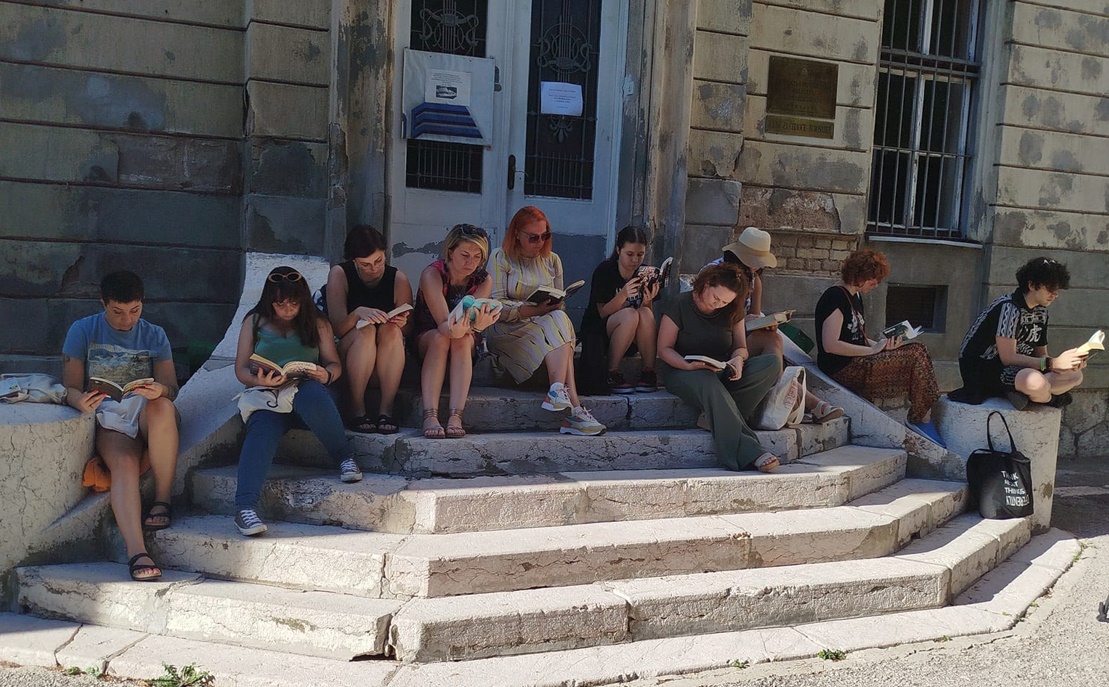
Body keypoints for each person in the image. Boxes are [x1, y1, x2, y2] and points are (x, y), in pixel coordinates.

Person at [62, 271, 180, 581]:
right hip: (109, 415)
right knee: (124, 463)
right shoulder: (83, 330)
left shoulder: (155, 334)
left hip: (145, 408)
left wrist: (160, 390)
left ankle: (162, 499)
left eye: (134, 310)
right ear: (103, 303)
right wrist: (78, 400)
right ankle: (136, 551)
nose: (126, 319)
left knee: (163, 408)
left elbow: (171, 387)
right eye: (117, 311)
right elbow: (70, 387)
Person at [232, 266, 361, 537]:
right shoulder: (253, 321)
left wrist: (326, 374)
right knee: (261, 428)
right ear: (270, 301)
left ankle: (345, 457)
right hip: (268, 396)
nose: (287, 308)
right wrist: (260, 381)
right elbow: (241, 370)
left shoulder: (318, 322)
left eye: (293, 302)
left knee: (312, 394)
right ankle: (245, 508)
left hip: (307, 394)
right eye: (280, 303)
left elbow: (334, 363)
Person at [487, 206, 606, 436]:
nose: (540, 242)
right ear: (517, 235)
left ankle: (558, 390)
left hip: (542, 325)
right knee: (562, 332)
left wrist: (552, 305)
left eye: (545, 236)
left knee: (560, 317)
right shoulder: (500, 257)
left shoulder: (552, 260)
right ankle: (574, 409)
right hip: (507, 330)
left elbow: (558, 303)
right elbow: (496, 307)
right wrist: (532, 309)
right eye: (533, 237)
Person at [658, 263, 783, 472]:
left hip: (722, 367)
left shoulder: (732, 309)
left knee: (770, 363)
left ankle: (713, 416)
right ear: (707, 284)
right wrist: (688, 366)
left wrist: (738, 361)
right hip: (683, 369)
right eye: (716, 298)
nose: (719, 304)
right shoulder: (679, 304)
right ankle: (750, 450)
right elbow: (664, 349)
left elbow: (741, 347)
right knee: (707, 379)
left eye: (725, 302)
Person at [711, 227, 843, 423]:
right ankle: (812, 404)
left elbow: (755, 315)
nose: (756, 268)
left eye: (758, 264)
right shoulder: (714, 274)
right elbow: (708, 316)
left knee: (774, 338)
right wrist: (739, 321)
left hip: (742, 339)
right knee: (774, 345)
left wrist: (763, 323)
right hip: (719, 338)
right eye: (753, 262)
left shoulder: (753, 280)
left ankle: (807, 404)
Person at [815, 249, 944, 446]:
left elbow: (859, 337)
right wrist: (872, 351)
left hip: (860, 361)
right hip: (843, 368)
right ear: (859, 276)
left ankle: (924, 413)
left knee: (918, 349)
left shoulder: (855, 297)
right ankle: (921, 417)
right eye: (872, 280)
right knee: (916, 353)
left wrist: (883, 346)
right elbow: (830, 345)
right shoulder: (835, 297)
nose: (875, 285)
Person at [955, 257, 1085, 409]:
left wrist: (1064, 364)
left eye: (1057, 289)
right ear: (1031, 285)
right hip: (984, 368)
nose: (1055, 294)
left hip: (1022, 369)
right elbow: (1008, 358)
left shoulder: (1042, 312)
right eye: (1050, 288)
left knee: (1076, 376)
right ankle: (1051, 399)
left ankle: (1028, 394)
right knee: (1035, 382)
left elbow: (1041, 355)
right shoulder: (1009, 308)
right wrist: (1052, 363)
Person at [412, 224, 501, 438]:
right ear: (450, 251)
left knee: (462, 340)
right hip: (431, 336)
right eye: (465, 255)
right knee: (441, 338)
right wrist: (466, 327)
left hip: (464, 339)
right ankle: (430, 415)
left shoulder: (483, 279)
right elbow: (443, 324)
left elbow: (473, 322)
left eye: (477, 256)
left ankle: (455, 415)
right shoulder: (432, 274)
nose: (470, 262)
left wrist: (480, 323)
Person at [325, 225, 412, 434]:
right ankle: (357, 408)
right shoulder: (340, 274)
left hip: (385, 359)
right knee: (366, 331)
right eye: (365, 264)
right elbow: (336, 330)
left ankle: (386, 409)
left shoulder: (398, 278)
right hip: (350, 358)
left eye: (379, 261)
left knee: (392, 332)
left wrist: (402, 324)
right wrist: (357, 314)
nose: (374, 268)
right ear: (353, 261)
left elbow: (410, 330)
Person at [579, 225, 659, 394]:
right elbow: (602, 312)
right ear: (618, 250)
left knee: (645, 313)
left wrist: (648, 301)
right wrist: (622, 295)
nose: (635, 260)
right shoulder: (605, 271)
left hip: (632, 337)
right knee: (630, 314)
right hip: (603, 334)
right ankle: (612, 372)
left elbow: (647, 315)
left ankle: (648, 371)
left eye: (640, 254)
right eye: (629, 254)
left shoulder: (645, 273)